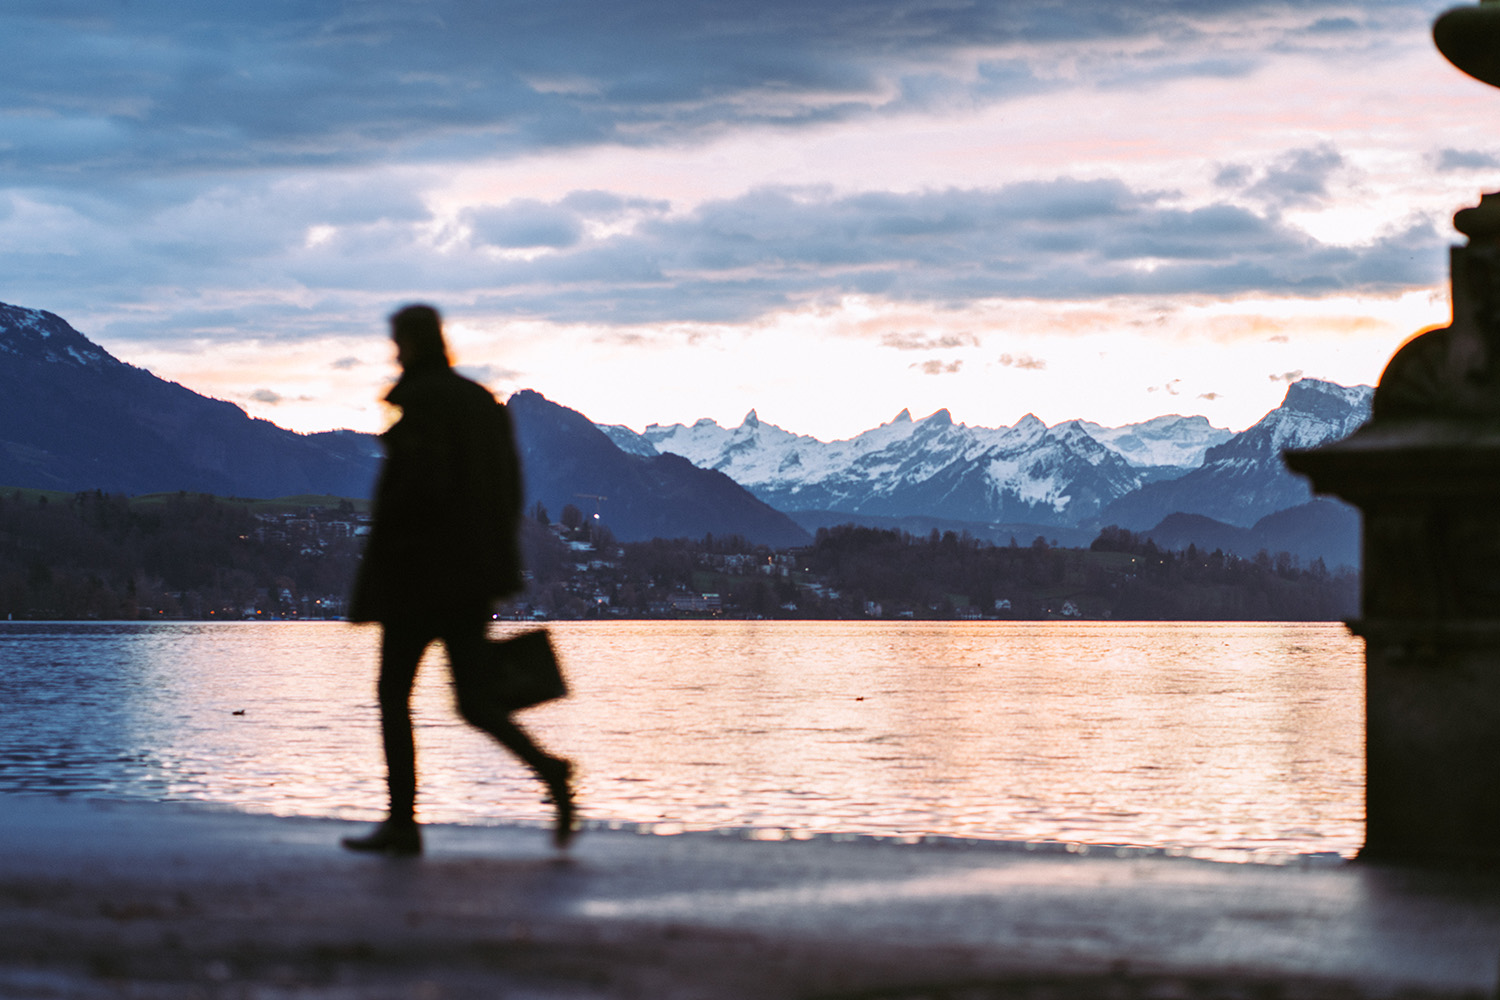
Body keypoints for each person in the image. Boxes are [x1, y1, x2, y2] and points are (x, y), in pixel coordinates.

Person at [342, 304, 574, 856]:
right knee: (473, 701)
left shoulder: (425, 404)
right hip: (470, 579)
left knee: (393, 695)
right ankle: (550, 770)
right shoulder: (480, 403)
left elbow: (417, 492)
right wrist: (493, 564)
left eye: (399, 342)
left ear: (413, 343)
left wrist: (392, 561)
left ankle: (403, 824)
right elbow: (507, 491)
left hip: (419, 578)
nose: (395, 352)